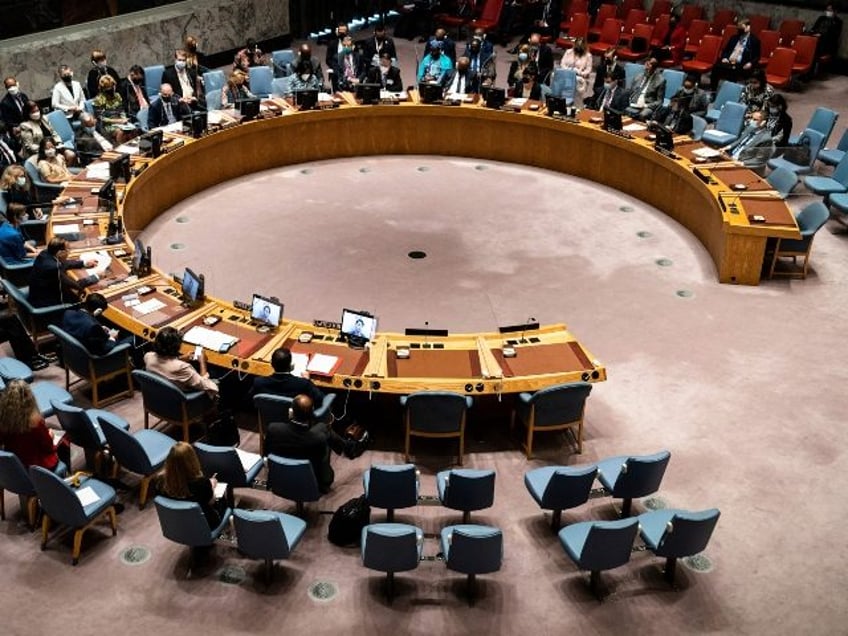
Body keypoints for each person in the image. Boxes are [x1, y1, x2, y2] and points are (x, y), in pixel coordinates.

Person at [264, 394, 348, 493]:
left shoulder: (273, 429)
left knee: (324, 432)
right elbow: (320, 457)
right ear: (312, 413)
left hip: (279, 480)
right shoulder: (317, 438)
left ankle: (347, 447)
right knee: (325, 436)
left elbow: (266, 454)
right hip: (312, 484)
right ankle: (348, 448)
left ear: (291, 412)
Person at [0, 380, 65, 474]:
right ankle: (65, 478)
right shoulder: (36, 423)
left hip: (16, 465)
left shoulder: (3, 419)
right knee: (64, 441)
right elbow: (48, 447)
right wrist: (51, 435)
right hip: (38, 467)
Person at [160, 442, 227, 529]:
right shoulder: (201, 483)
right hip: (205, 524)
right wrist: (211, 486)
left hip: (178, 523)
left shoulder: (160, 482)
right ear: (192, 460)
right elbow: (211, 501)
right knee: (224, 492)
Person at [143, 326, 219, 398]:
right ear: (177, 347)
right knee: (217, 373)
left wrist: (180, 358)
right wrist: (202, 362)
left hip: (157, 398)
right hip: (182, 403)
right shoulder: (183, 368)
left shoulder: (148, 357)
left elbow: (165, 363)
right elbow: (209, 387)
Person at [28, 237, 99, 308]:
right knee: (85, 302)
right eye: (68, 249)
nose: (69, 252)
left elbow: (64, 263)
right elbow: (75, 284)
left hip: (37, 292)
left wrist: (84, 263)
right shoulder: (53, 268)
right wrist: (96, 277)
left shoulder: (45, 253)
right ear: (60, 252)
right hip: (45, 301)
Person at [61, 292, 129, 356]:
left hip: (73, 353)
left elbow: (81, 328)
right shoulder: (92, 326)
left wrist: (100, 329)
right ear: (98, 311)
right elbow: (103, 350)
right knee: (133, 338)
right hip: (93, 358)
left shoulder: (68, 313)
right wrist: (112, 338)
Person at [253, 347, 325, 405]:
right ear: (291, 366)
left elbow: (252, 401)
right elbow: (320, 399)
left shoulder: (259, 382)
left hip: (268, 418)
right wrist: (308, 380)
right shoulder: (303, 384)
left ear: (271, 364)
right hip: (295, 419)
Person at [711, 18, 761, 92]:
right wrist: (724, 57)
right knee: (716, 67)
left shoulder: (754, 41)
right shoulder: (734, 38)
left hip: (741, 64)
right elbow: (725, 51)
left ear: (748, 27)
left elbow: (757, 57)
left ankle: (729, 92)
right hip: (729, 61)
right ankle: (713, 91)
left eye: (742, 28)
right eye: (739, 29)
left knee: (733, 71)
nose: (740, 31)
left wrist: (750, 63)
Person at [721, 109, 774, 174]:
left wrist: (742, 163)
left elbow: (760, 160)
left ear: (763, 122)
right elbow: (739, 141)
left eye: (755, 120)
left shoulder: (766, 139)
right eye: (751, 118)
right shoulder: (749, 128)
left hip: (741, 164)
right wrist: (726, 147)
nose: (751, 121)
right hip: (730, 157)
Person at [91, 75, 131, 144]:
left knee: (132, 130)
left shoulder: (117, 96)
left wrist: (124, 119)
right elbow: (101, 118)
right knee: (120, 132)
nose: (112, 89)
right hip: (106, 125)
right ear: (103, 89)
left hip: (120, 121)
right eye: (108, 88)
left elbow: (121, 110)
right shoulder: (98, 100)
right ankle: (121, 151)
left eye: (112, 87)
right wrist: (117, 121)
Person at [560, 38, 593, 107]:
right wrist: (569, 70)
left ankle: (569, 103)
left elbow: (588, 70)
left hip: (579, 77)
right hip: (567, 74)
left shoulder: (588, 56)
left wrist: (579, 72)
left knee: (574, 82)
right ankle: (564, 102)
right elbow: (562, 64)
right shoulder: (568, 52)